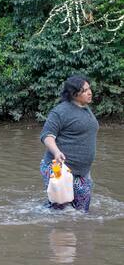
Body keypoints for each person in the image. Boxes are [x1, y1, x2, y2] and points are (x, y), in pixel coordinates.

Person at [40, 75, 99, 212]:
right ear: (74, 94)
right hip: (60, 169)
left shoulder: (85, 108)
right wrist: (56, 152)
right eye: (84, 90)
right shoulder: (60, 112)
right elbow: (47, 136)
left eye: (89, 88)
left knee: (82, 211)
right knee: (60, 209)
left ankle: (78, 232)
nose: (89, 92)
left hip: (82, 171)